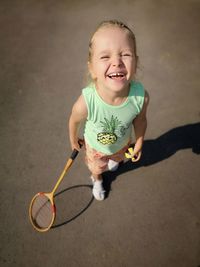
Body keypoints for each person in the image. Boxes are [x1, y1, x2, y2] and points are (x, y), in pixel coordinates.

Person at [69, 20, 149, 201]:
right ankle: (97, 180)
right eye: (105, 57)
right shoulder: (87, 102)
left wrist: (139, 141)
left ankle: (114, 160)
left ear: (136, 62)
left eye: (126, 54)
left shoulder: (140, 97)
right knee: (97, 168)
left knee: (117, 159)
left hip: (122, 144)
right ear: (92, 68)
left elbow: (141, 120)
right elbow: (74, 119)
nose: (117, 62)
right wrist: (73, 139)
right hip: (96, 148)